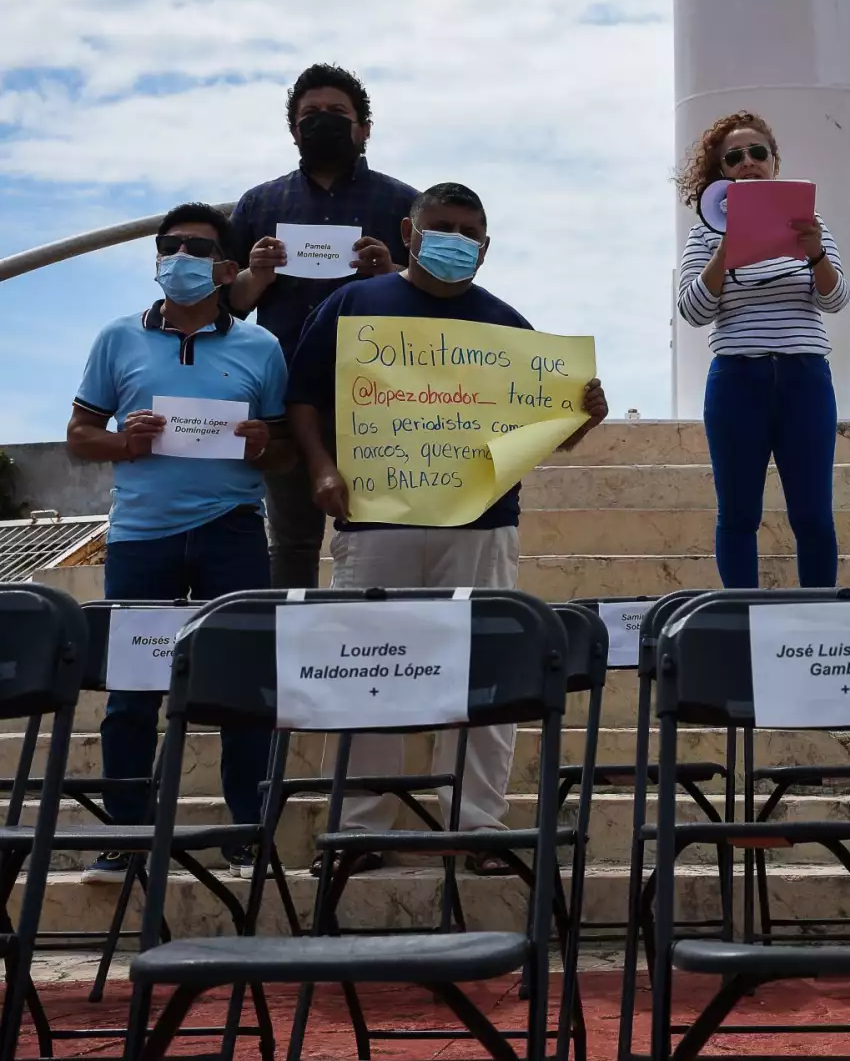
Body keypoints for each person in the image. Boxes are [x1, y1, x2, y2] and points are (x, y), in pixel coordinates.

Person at [286, 182, 609, 875]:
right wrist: (321, 468)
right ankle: (359, 828)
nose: (454, 240)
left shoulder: (511, 328)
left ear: (486, 247)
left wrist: (585, 415)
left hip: (483, 524)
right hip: (374, 522)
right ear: (409, 230)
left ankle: (480, 825)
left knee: (487, 672)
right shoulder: (351, 306)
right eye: (442, 226)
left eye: (469, 231)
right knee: (364, 667)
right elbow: (303, 400)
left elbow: (553, 431)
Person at [67, 203, 295, 883]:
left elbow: (280, 451)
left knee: (242, 687)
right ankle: (127, 836)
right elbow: (79, 436)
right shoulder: (116, 339)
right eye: (172, 247)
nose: (183, 259)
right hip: (140, 538)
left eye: (199, 249)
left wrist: (265, 444)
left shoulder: (262, 348)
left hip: (233, 533)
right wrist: (122, 443)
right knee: (132, 691)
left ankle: (245, 834)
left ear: (228, 269)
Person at [227, 63, 418, 589]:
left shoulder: (405, 204)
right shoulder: (259, 204)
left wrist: (393, 273)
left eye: (338, 113)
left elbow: (436, 300)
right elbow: (228, 307)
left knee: (387, 537)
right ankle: (290, 659)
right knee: (291, 544)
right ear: (293, 131)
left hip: (383, 399)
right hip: (287, 397)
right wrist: (257, 275)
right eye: (310, 114)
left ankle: (383, 653)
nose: (323, 122)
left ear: (364, 129)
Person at [675, 110, 848, 589]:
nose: (747, 162)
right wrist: (725, 250)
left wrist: (814, 252)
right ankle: (739, 617)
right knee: (738, 513)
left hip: (805, 379)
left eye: (758, 153)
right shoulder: (705, 234)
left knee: (813, 513)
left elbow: (836, 299)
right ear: (720, 170)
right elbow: (692, 311)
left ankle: (818, 614)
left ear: (774, 162)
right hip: (737, 380)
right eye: (734, 156)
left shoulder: (812, 227)